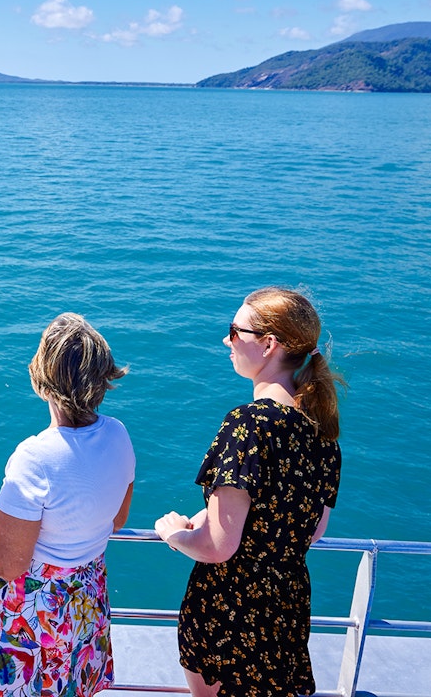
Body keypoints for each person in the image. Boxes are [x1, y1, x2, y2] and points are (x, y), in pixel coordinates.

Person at [154, 287, 343, 697]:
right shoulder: (323, 432)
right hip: (285, 607)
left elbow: (218, 548)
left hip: (229, 611)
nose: (227, 339)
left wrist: (175, 534)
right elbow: (309, 530)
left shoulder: (248, 425)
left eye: (235, 331)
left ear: (269, 345)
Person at [0, 313, 135, 697]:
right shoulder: (119, 436)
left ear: (42, 379)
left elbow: (9, 564)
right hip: (84, 605)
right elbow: (117, 519)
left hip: (34, 617)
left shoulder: (35, 457)